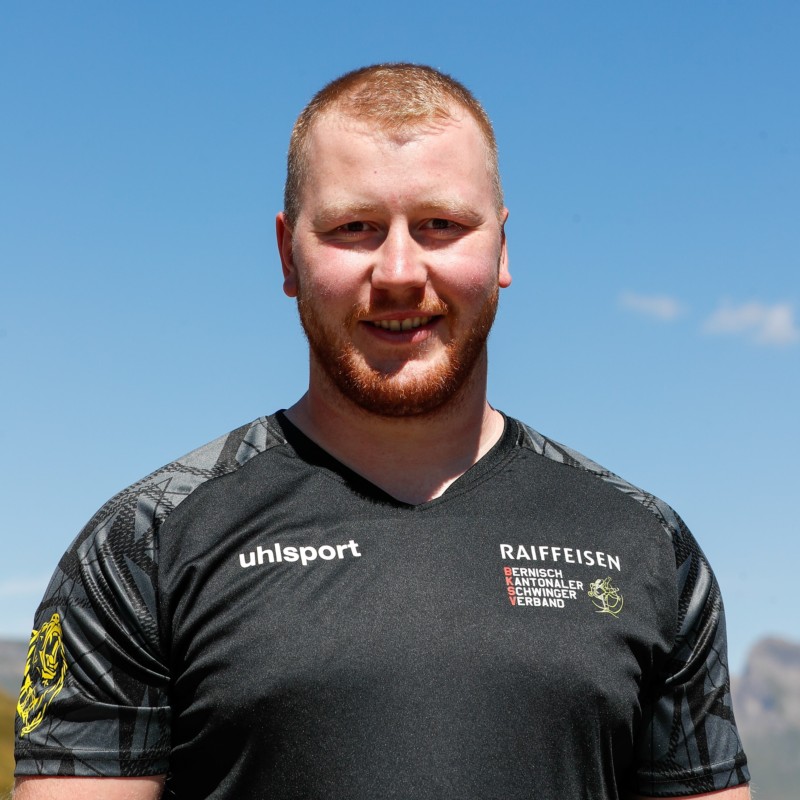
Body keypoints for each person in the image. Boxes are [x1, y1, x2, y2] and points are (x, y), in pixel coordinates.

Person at [14, 63, 750, 799]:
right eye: (354, 228)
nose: (399, 271)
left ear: (501, 248)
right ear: (287, 255)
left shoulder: (647, 545)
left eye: (442, 225)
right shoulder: (144, 546)